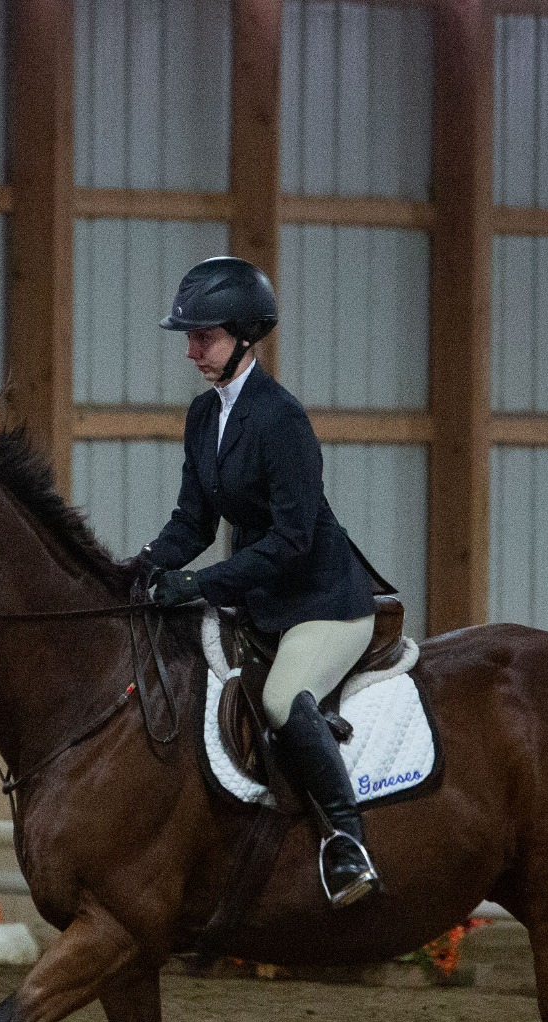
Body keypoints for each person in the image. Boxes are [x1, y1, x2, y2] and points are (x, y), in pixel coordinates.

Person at [138, 256, 387, 907]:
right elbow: (192, 521)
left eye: (206, 336)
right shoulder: (203, 416)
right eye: (189, 336)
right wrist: (139, 567)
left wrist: (202, 583)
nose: (192, 349)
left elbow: (291, 540)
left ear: (246, 337)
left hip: (321, 602)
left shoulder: (282, 420)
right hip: (259, 598)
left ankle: (346, 841)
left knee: (280, 699)